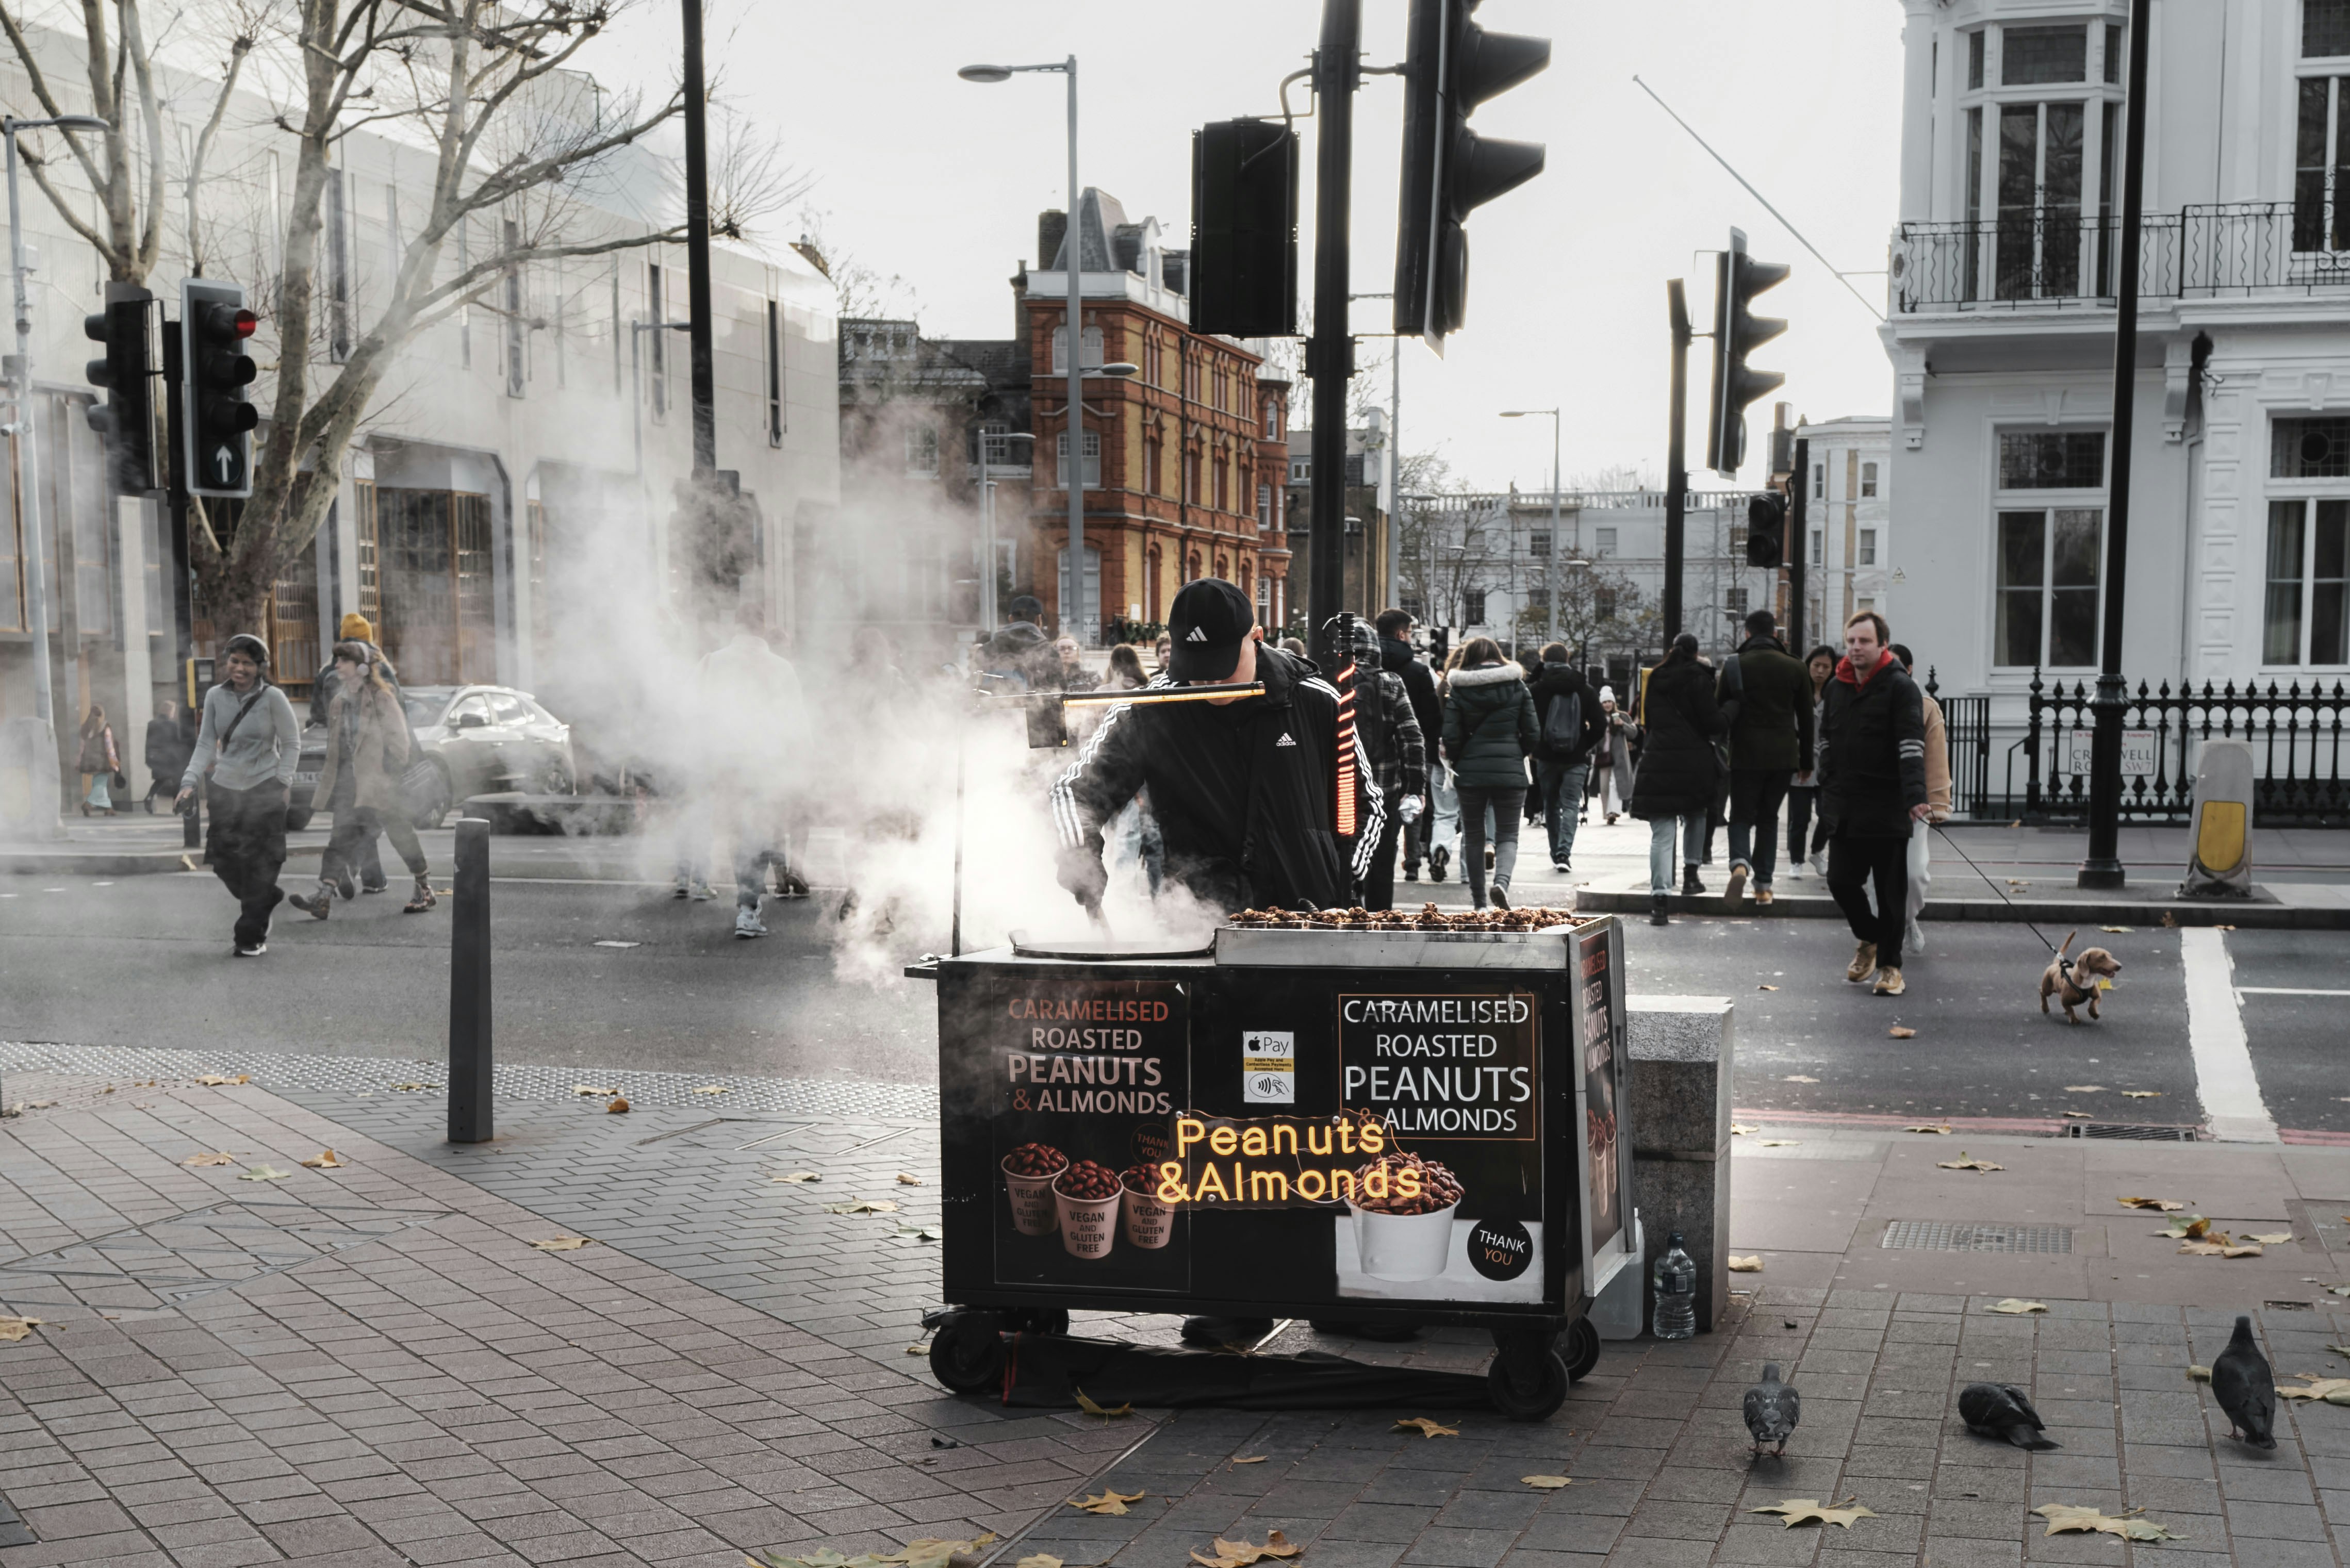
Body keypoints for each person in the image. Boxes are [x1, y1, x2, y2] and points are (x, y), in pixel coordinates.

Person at [1050, 576, 1380, 919]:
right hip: (1198, 922)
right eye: (1198, 668)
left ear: (1256, 639)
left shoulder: (1316, 700)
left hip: (1311, 918)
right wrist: (1079, 851)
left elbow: (1368, 801)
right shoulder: (1150, 708)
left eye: (1224, 665)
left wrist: (1343, 875)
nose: (1212, 681)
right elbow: (1073, 792)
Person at [1817, 611, 1929, 996]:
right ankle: (1869, 937)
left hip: (1886, 804)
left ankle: (1890, 967)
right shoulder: (1836, 687)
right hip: (1845, 806)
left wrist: (1915, 796)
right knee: (1840, 882)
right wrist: (1826, 777)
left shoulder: (1901, 687)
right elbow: (1825, 738)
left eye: (1863, 641)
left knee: (1890, 893)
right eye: (1850, 641)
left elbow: (1911, 745)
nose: (1855, 647)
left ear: (1882, 644)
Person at [291, 640, 437, 918]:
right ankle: (323, 896)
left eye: (342, 661)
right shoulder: (339, 702)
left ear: (360, 667)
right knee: (339, 839)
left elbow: (399, 743)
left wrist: (388, 776)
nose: (336, 666)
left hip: (383, 786)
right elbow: (337, 747)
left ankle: (425, 889)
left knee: (401, 835)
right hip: (352, 785)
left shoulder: (382, 697)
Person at [177, 634, 301, 956]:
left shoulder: (273, 697)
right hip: (226, 789)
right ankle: (267, 898)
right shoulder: (216, 696)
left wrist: (282, 780)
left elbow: (291, 743)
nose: (240, 668)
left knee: (262, 864)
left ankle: (249, 937)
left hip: (264, 788)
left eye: (247, 663)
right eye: (235, 661)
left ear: (261, 667)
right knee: (224, 863)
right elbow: (206, 743)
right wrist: (189, 782)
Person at [698, 602, 809, 938]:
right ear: (762, 627)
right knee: (762, 832)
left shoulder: (713, 663)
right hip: (768, 764)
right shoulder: (781, 667)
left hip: (729, 762)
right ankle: (749, 906)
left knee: (739, 833)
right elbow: (797, 723)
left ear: (736, 625)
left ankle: (747, 904)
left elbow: (696, 713)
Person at [1629, 635, 1727, 926]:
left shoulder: (1655, 677)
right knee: (1697, 813)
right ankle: (1691, 875)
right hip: (1693, 762)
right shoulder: (1698, 678)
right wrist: (1730, 712)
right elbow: (1713, 723)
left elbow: (1650, 721)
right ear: (1696, 653)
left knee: (1662, 834)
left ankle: (1659, 901)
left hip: (1658, 760)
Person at [1719, 609, 1815, 906]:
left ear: (1747, 634)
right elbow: (1807, 718)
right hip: (1783, 755)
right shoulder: (1796, 667)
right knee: (1769, 819)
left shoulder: (1734, 665)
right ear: (1776, 634)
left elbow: (1719, 712)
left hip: (1745, 754)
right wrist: (1806, 761)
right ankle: (1763, 886)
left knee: (1740, 816)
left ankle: (1739, 864)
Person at [311, 612, 408, 896]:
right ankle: (348, 867)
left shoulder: (329, 669)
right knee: (370, 822)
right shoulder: (377, 666)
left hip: (342, 762)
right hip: (374, 763)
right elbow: (398, 714)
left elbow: (317, 713)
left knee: (346, 821)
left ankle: (373, 879)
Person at [1336, 617, 1425, 911]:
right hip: (1383, 790)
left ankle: (1346, 911)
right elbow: (1412, 738)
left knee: (1342, 856)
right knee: (1382, 861)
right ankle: (1379, 920)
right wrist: (1415, 788)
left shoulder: (1330, 682)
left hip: (1338, 788)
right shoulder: (1390, 683)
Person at [1440, 637, 1536, 911]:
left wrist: (1462, 759)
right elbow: (1533, 732)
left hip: (1470, 774)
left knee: (1473, 835)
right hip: (1510, 772)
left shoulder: (1458, 689)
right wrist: (1517, 754)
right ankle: (1502, 884)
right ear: (1498, 655)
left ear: (1468, 658)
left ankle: (1479, 902)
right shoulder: (1517, 686)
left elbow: (1451, 736)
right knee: (1507, 835)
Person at [1373, 609, 1444, 883]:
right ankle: (1412, 862)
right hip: (1414, 749)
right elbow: (1429, 717)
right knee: (1413, 803)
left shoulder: (1357, 668)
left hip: (1372, 752)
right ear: (1402, 634)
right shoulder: (1417, 671)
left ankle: (1373, 861)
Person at [1890, 643, 1951, 958]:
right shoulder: (1870, 699)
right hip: (1878, 805)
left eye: (1898, 664)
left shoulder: (1927, 706)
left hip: (1916, 805)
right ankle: (1883, 936)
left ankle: (1909, 919)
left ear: (1910, 669)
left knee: (1915, 873)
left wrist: (1938, 803)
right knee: (1879, 878)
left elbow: (1937, 758)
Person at [1527, 643, 1604, 873]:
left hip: (1546, 758)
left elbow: (1527, 721)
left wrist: (1536, 745)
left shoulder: (1538, 689)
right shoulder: (1585, 688)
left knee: (1551, 804)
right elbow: (1600, 725)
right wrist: (1583, 744)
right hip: (1576, 759)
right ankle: (1564, 853)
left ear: (1544, 661)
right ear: (1568, 659)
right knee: (1571, 805)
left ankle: (1555, 853)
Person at [1784, 645, 1837, 879]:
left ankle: (1817, 852)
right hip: (1801, 763)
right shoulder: (1797, 692)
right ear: (1808, 665)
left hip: (1827, 765)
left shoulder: (1836, 694)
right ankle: (1796, 861)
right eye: (1816, 665)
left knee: (1828, 814)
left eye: (1826, 667)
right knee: (1800, 818)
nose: (1820, 671)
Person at [980, 595, 1053, 687]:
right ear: (1039, 620)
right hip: (1038, 701)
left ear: (1011, 619)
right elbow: (1061, 690)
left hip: (996, 700)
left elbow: (973, 686)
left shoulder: (986, 650)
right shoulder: (1049, 651)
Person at [1591, 686, 1634, 823]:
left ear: (1614, 703)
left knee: (1616, 784)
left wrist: (1622, 725)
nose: (1607, 705)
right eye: (1604, 702)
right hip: (1603, 756)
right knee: (1604, 786)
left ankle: (1614, 812)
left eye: (1609, 702)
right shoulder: (1598, 718)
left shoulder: (1623, 716)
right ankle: (1607, 813)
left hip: (1619, 757)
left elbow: (1634, 733)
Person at [143, 699, 191, 813]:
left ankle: (149, 797)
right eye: (173, 710)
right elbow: (177, 742)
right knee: (177, 781)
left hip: (156, 757)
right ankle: (177, 806)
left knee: (160, 780)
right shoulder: (173, 725)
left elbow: (148, 742)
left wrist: (148, 758)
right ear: (170, 711)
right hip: (171, 758)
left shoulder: (152, 724)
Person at [76, 704, 119, 815]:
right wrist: (114, 762)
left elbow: (81, 746)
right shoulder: (105, 726)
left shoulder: (85, 727)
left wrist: (79, 761)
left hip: (89, 761)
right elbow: (109, 746)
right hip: (102, 761)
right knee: (101, 782)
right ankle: (88, 804)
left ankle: (108, 808)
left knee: (100, 782)